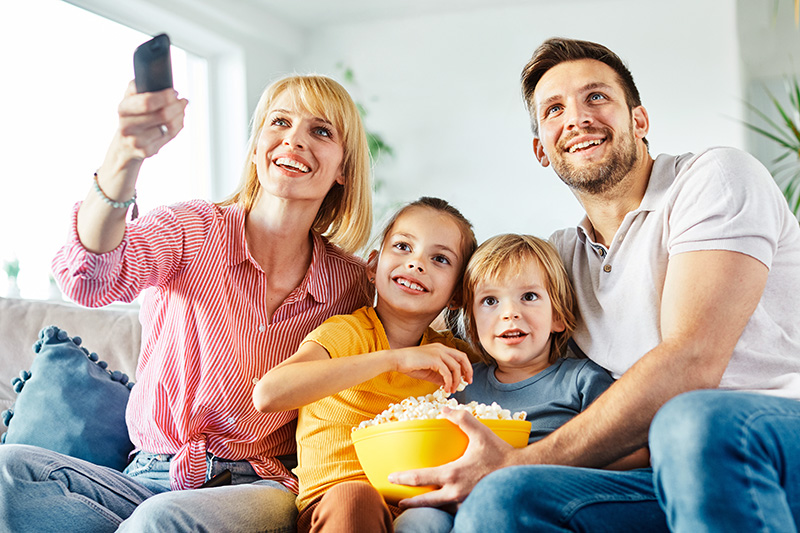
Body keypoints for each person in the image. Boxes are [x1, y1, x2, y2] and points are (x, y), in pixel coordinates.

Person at [390, 38, 800, 532]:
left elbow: (693, 359)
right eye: (555, 109)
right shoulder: (562, 256)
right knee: (502, 499)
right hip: (654, 472)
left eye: (597, 97)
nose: (577, 118)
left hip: (767, 435)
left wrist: (524, 459)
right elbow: (463, 295)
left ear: (639, 120)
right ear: (542, 149)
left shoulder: (714, 178)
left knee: (692, 422)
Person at [0, 73, 374, 532]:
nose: (293, 139)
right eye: (279, 122)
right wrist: (126, 151)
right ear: (258, 148)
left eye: (321, 131)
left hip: (259, 485)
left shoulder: (350, 283)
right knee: (9, 472)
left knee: (160, 520)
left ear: (343, 169)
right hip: (149, 477)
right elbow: (92, 279)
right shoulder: (192, 230)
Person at [393, 233, 650, 533]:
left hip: (536, 501)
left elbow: (633, 454)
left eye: (529, 297)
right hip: (460, 498)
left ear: (558, 316)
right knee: (416, 520)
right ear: (473, 327)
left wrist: (532, 464)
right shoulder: (460, 388)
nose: (509, 312)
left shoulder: (583, 379)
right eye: (490, 301)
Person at [253, 196, 478, 533]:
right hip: (337, 504)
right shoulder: (348, 333)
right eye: (403, 246)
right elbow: (269, 393)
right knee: (357, 499)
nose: (416, 263)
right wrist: (396, 359)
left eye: (440, 258)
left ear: (458, 293)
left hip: (415, 505)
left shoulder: (452, 355)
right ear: (373, 266)